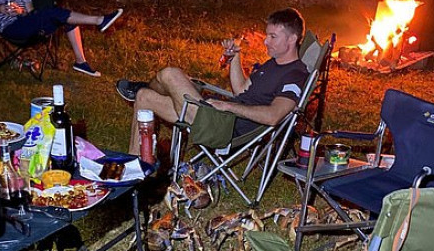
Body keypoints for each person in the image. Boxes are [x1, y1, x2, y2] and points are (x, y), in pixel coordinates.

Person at [116, 8, 309, 155]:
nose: (266, 41)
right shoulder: (272, 64)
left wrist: (227, 107)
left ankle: (146, 85)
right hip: (217, 116)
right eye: (267, 35)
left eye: (273, 36)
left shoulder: (295, 75)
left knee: (170, 74)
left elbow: (273, 115)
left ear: (292, 39)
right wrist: (234, 58)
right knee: (143, 98)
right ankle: (135, 166)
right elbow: (241, 90)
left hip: (224, 129)